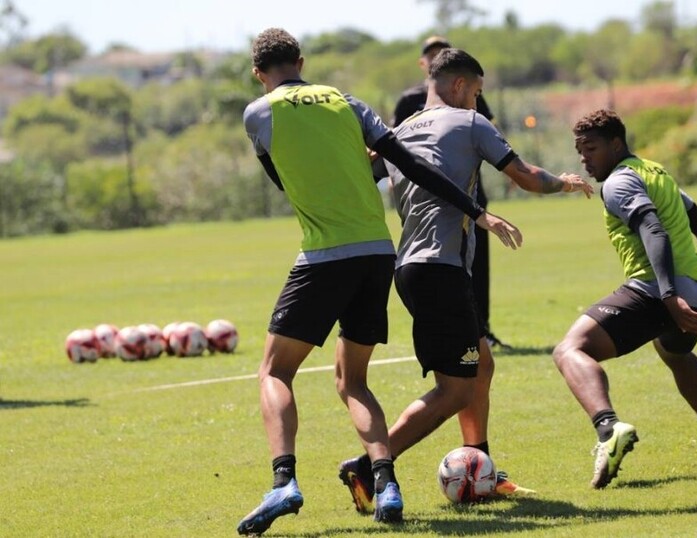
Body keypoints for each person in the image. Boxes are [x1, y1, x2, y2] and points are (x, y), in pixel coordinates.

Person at [236, 28, 522, 536]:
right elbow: (409, 162)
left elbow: (280, 179)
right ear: (302, 60)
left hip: (324, 254)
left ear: (259, 73)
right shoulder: (349, 103)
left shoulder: (259, 113)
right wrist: (475, 210)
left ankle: (283, 482)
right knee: (353, 380)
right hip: (377, 254)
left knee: (274, 372)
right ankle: (385, 483)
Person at [338, 48, 593, 514]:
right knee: (454, 390)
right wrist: (564, 182)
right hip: (441, 269)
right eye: (476, 92)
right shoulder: (471, 123)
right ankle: (368, 465)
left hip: (412, 266)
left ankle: (481, 465)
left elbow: (357, 178)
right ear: (459, 86)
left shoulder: (398, 132)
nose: (477, 101)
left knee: (482, 365)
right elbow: (525, 177)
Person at [552, 109, 697, 490]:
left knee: (570, 349)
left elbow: (653, 229)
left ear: (616, 144)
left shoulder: (618, 183)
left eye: (591, 149)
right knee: (673, 351)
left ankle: (608, 429)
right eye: (579, 151)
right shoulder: (655, 172)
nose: (584, 159)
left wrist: (668, 296)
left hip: (661, 292)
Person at [392, 35, 509, 349]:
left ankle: (481, 330)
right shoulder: (409, 102)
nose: (436, 58)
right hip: (425, 201)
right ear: (423, 63)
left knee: (474, 264)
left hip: (471, 199)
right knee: (443, 265)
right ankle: (463, 340)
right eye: (431, 54)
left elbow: (488, 134)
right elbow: (392, 150)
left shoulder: (470, 99)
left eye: (442, 52)